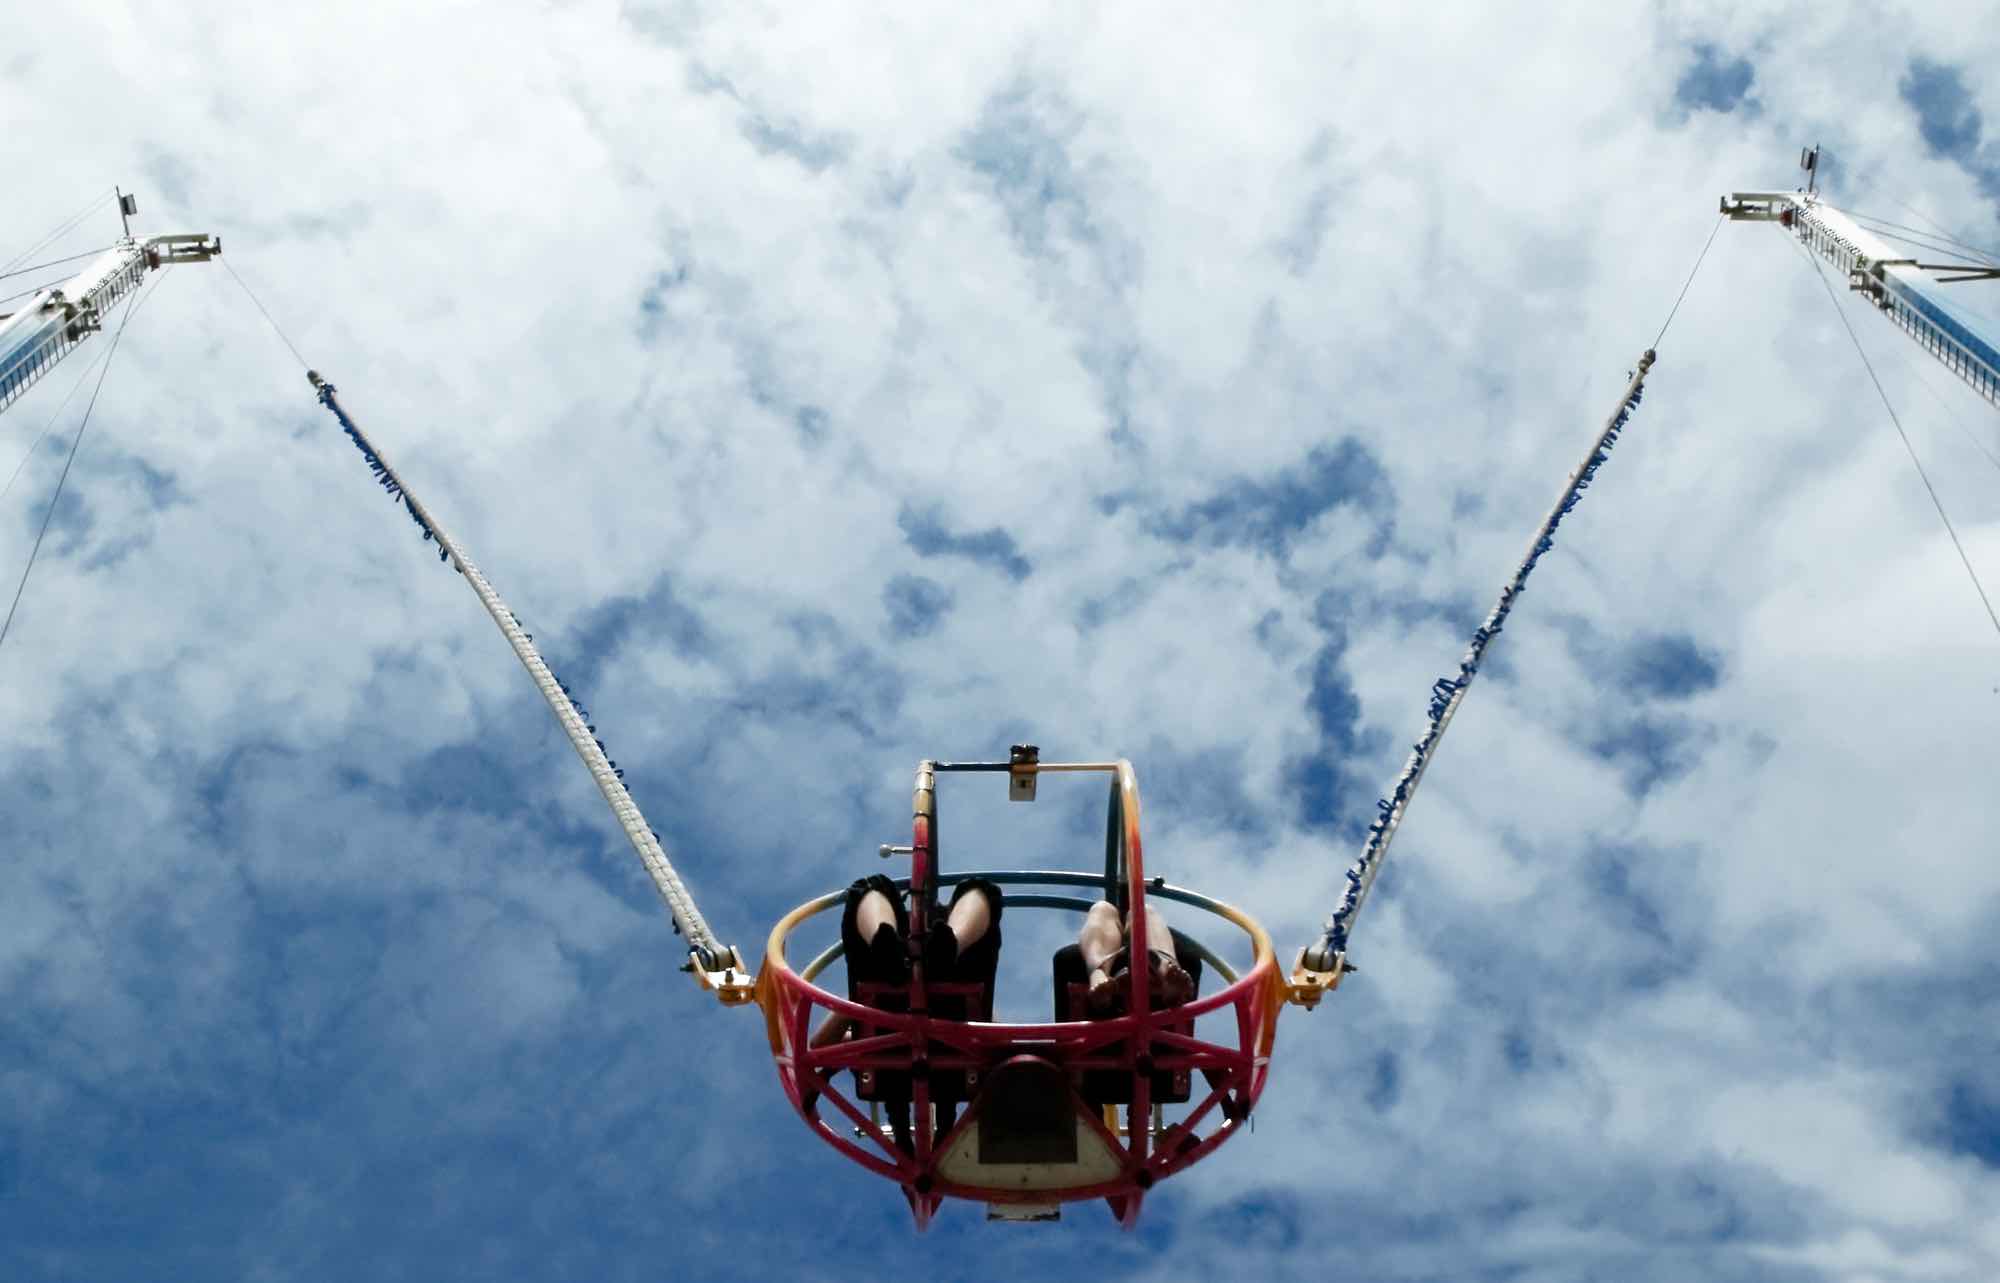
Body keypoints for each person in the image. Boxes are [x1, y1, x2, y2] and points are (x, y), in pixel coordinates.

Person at [1077, 898, 1194, 1015]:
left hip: (1147, 967)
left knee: (1142, 910)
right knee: (1101, 908)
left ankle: (1166, 970)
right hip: (1122, 965)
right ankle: (1098, 973)